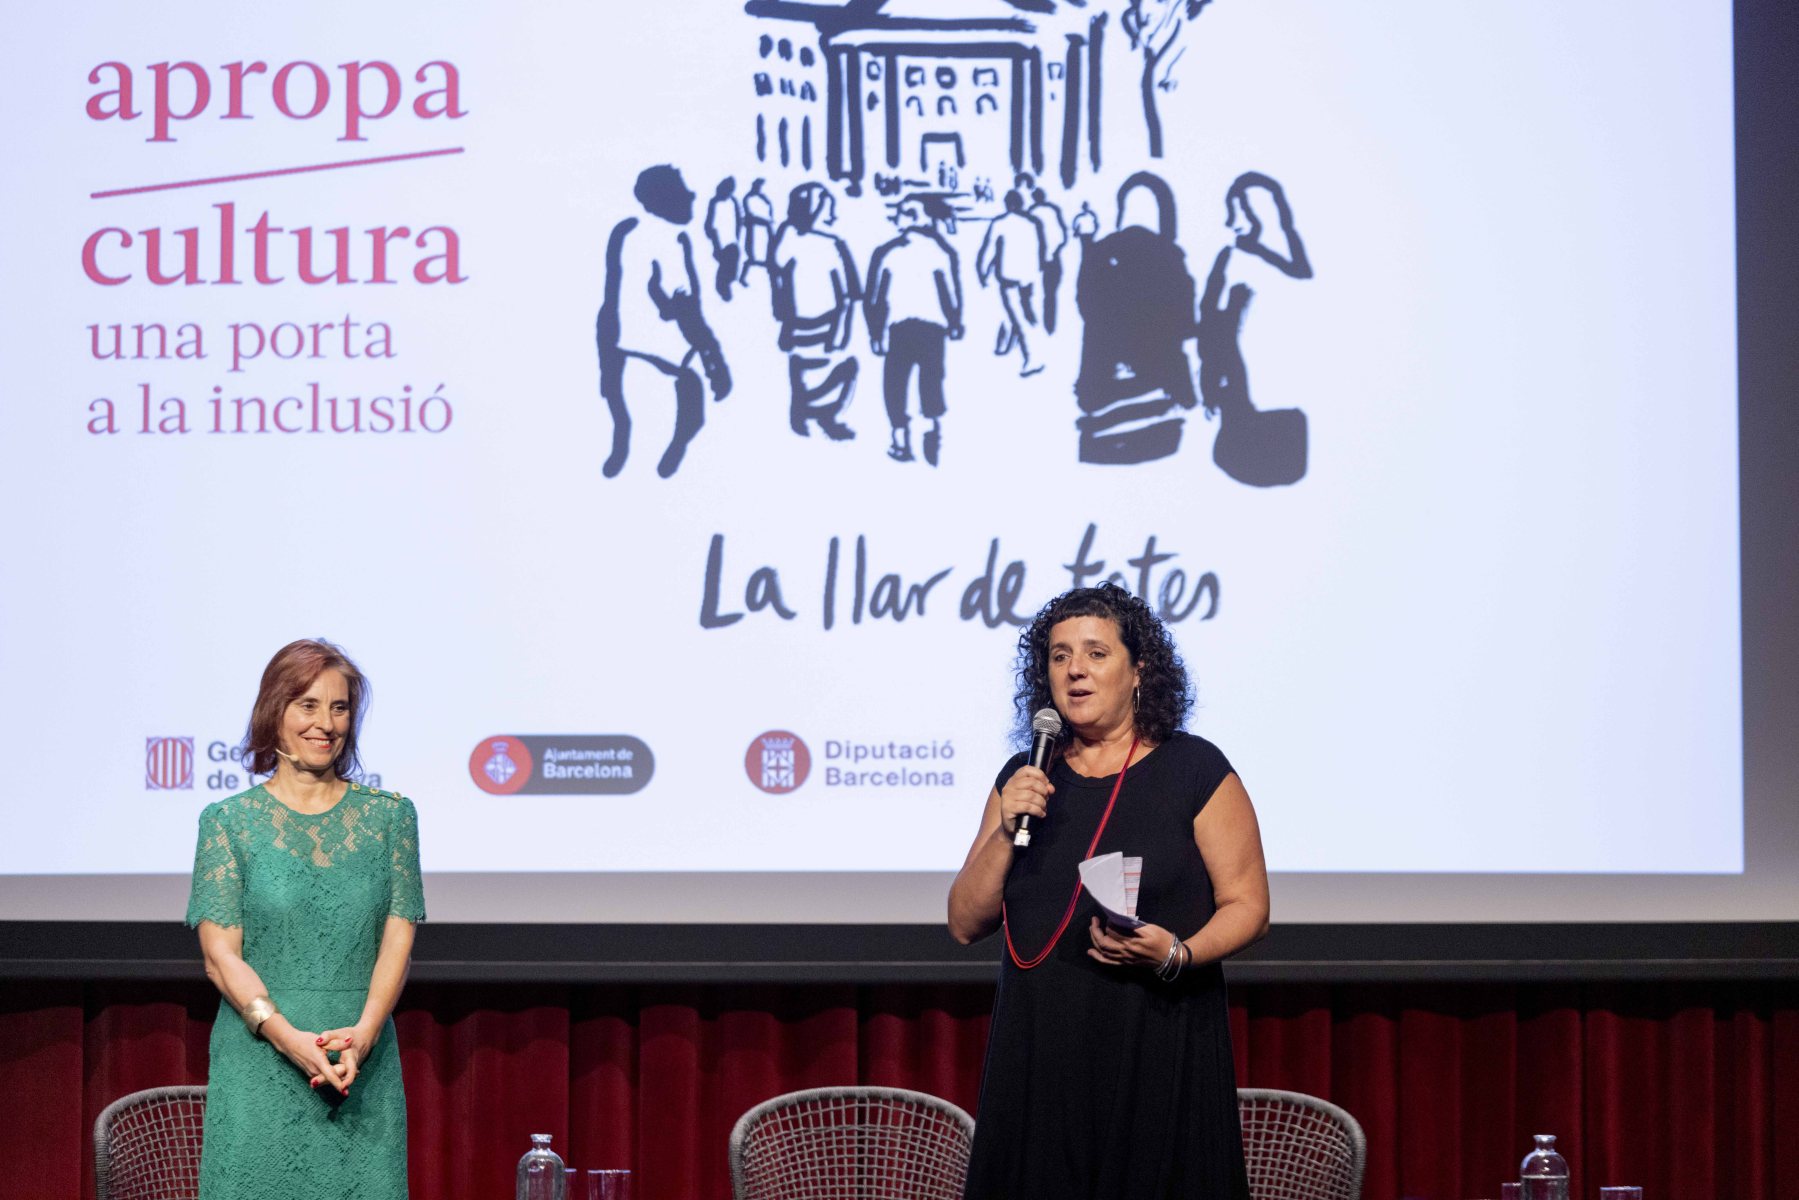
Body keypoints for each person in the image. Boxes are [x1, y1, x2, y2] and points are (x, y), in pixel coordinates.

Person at [949, 584, 1268, 1199]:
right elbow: (964, 921)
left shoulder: (1194, 769)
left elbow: (1249, 906)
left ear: (1138, 669)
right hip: (1040, 1055)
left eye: (1096, 653)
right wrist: (1007, 829)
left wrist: (1177, 953)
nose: (1075, 670)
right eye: (1060, 655)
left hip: (1156, 1045)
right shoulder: (1025, 777)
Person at [187, 639, 426, 1200]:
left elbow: (397, 941)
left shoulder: (391, 818)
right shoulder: (228, 822)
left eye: (339, 708)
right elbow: (220, 958)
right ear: (275, 711)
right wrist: (287, 1037)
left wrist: (365, 1034)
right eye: (308, 705)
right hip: (260, 1063)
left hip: (359, 1064)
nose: (326, 723)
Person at [597, 164, 732, 479]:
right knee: (690, 417)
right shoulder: (669, 242)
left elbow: (613, 296)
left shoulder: (628, 233)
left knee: (630, 422)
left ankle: (624, 455)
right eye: (683, 191)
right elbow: (684, 309)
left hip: (625, 348)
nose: (692, 196)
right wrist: (714, 362)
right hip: (664, 355)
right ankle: (660, 458)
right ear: (666, 199)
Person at [1197, 171, 1314, 487]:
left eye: (1243, 210)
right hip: (1248, 432)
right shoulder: (1240, 261)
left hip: (1256, 434)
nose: (1233, 223)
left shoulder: (1278, 274)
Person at [865, 195, 964, 465]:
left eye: (901, 213)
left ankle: (900, 437)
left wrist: (875, 332)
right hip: (933, 329)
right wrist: (954, 322)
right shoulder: (941, 251)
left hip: (899, 328)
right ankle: (931, 430)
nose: (896, 217)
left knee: (894, 382)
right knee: (931, 379)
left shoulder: (887, 252)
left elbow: (875, 297)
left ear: (913, 217)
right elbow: (950, 292)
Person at [768, 182, 861, 439]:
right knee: (810, 368)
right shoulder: (824, 245)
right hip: (808, 322)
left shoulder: (805, 242)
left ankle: (816, 414)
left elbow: (848, 294)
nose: (832, 216)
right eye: (827, 209)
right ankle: (810, 413)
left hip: (822, 322)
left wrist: (843, 327)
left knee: (821, 368)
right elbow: (848, 294)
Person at [975, 188, 1047, 377]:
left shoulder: (1000, 223)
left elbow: (987, 250)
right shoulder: (1033, 223)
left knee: (1019, 316)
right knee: (1019, 311)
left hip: (1009, 278)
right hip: (1028, 278)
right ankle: (1005, 344)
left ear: (1007, 204)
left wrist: (982, 273)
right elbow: (1040, 249)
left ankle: (1033, 358)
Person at [703, 176, 743, 302]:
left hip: (726, 247)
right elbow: (709, 224)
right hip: (726, 247)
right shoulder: (718, 202)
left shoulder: (728, 202)